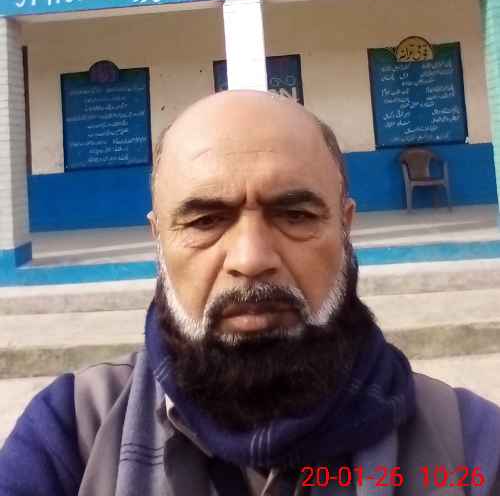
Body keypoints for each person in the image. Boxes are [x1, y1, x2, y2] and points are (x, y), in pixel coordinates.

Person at [1, 90, 499, 495]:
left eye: (295, 215)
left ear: (345, 227)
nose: (251, 258)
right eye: (206, 220)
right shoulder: (70, 435)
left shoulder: (470, 445)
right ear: (159, 240)